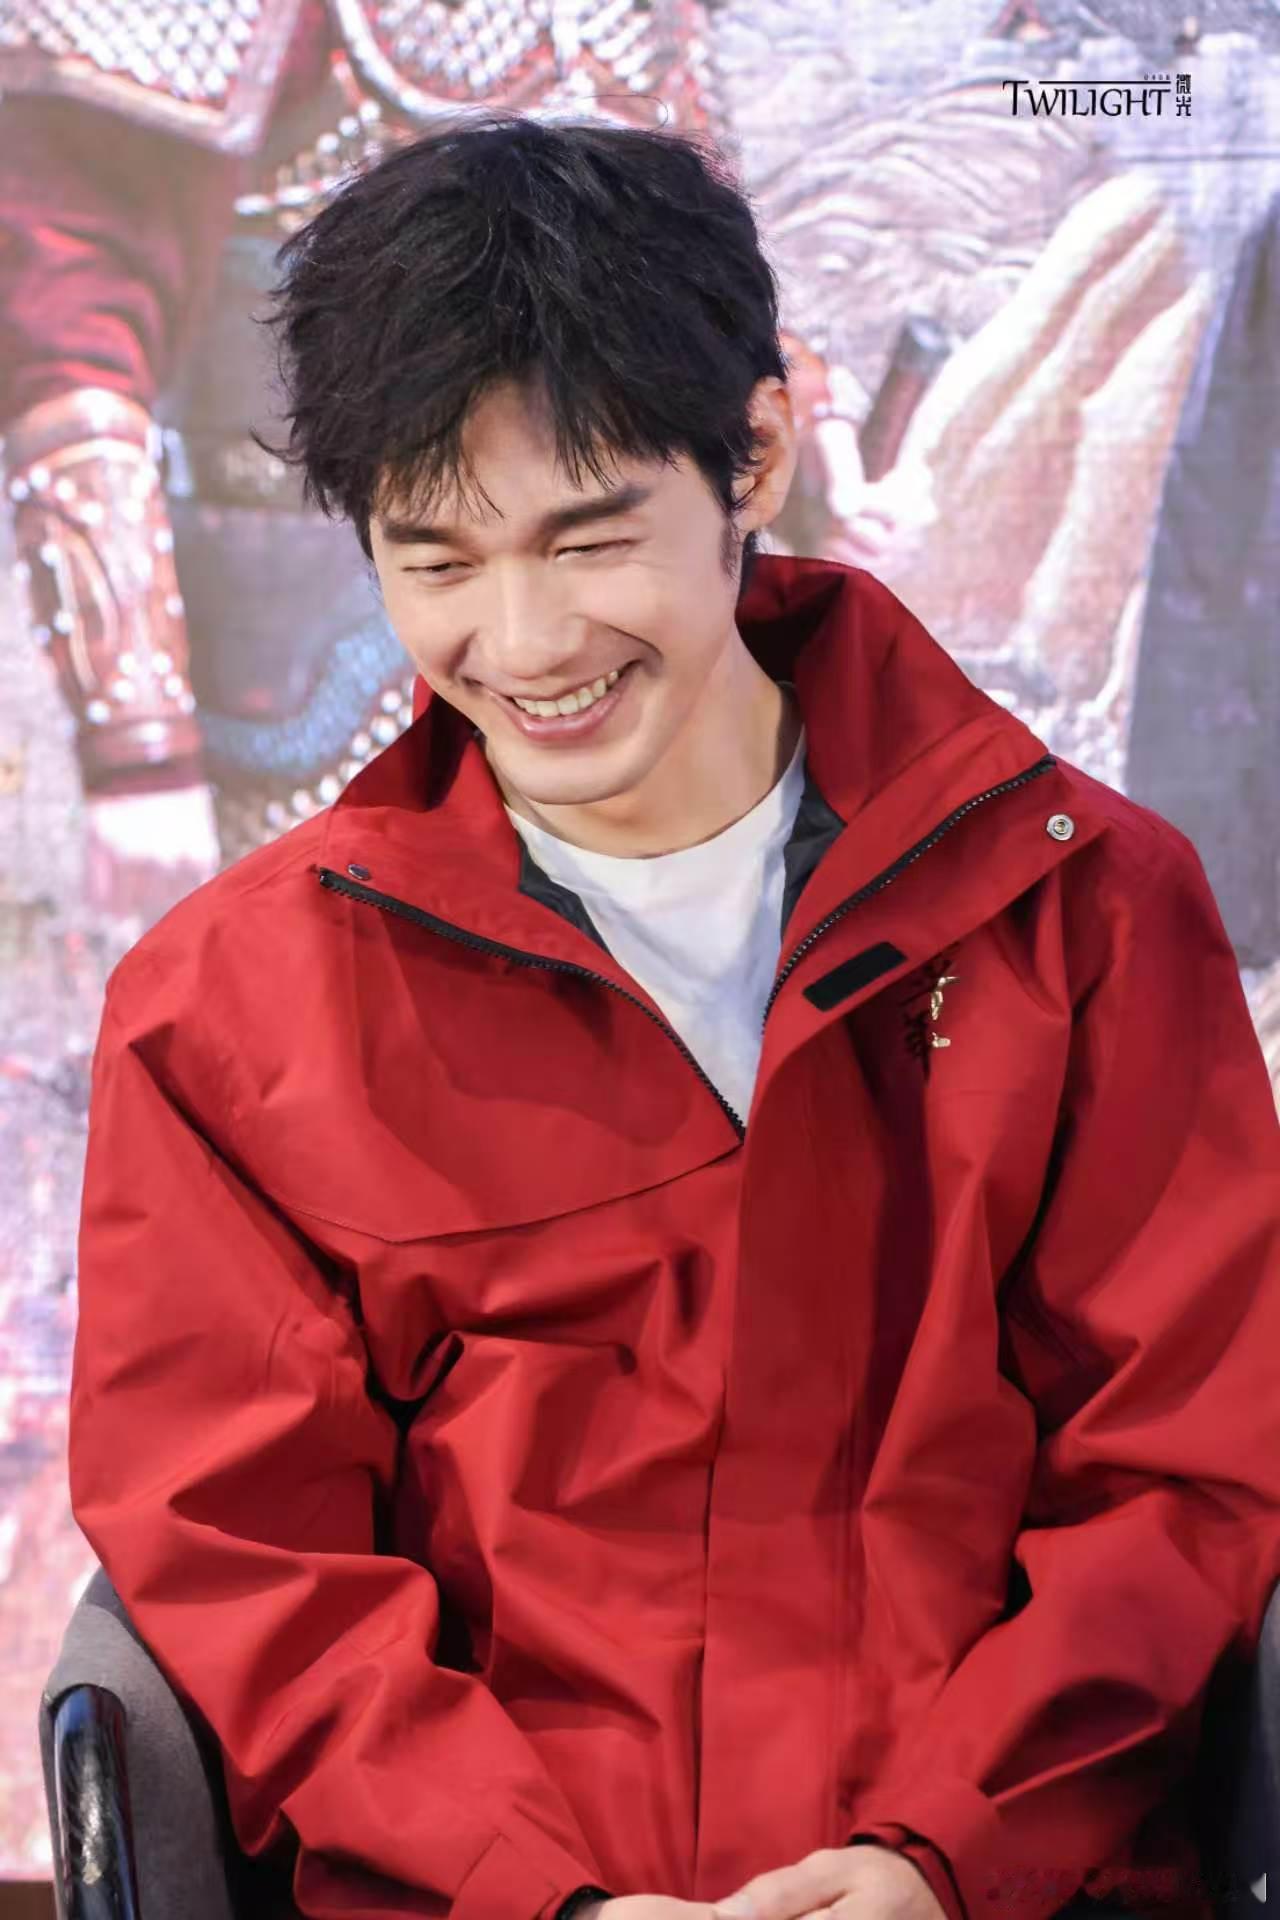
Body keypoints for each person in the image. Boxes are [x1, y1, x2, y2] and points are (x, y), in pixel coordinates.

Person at [68, 113, 1280, 1920]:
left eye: (588, 538)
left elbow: (1183, 1471)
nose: (526, 643)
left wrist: (944, 1857)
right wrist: (541, 1896)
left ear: (755, 458)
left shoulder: (1087, 913)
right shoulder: (228, 1011)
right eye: (439, 560)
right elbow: (247, 1557)